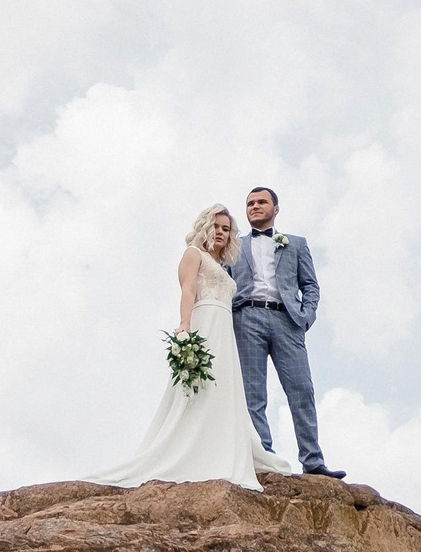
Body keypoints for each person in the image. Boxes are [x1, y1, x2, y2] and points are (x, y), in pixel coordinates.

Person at [88, 205, 291, 490]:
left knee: (224, 389)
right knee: (200, 387)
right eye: (216, 227)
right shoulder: (193, 255)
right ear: (205, 227)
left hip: (224, 330)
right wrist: (185, 326)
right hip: (205, 322)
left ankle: (220, 447)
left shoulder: (222, 266)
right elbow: (188, 291)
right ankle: (188, 450)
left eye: (226, 229)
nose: (221, 233)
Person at [234, 186, 343, 478]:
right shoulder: (235, 246)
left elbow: (310, 286)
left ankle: (313, 461)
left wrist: (306, 317)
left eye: (261, 202)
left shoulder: (295, 243)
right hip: (246, 317)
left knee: (302, 390)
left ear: (275, 209)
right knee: (252, 394)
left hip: (287, 320)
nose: (255, 207)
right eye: (250, 204)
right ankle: (263, 458)